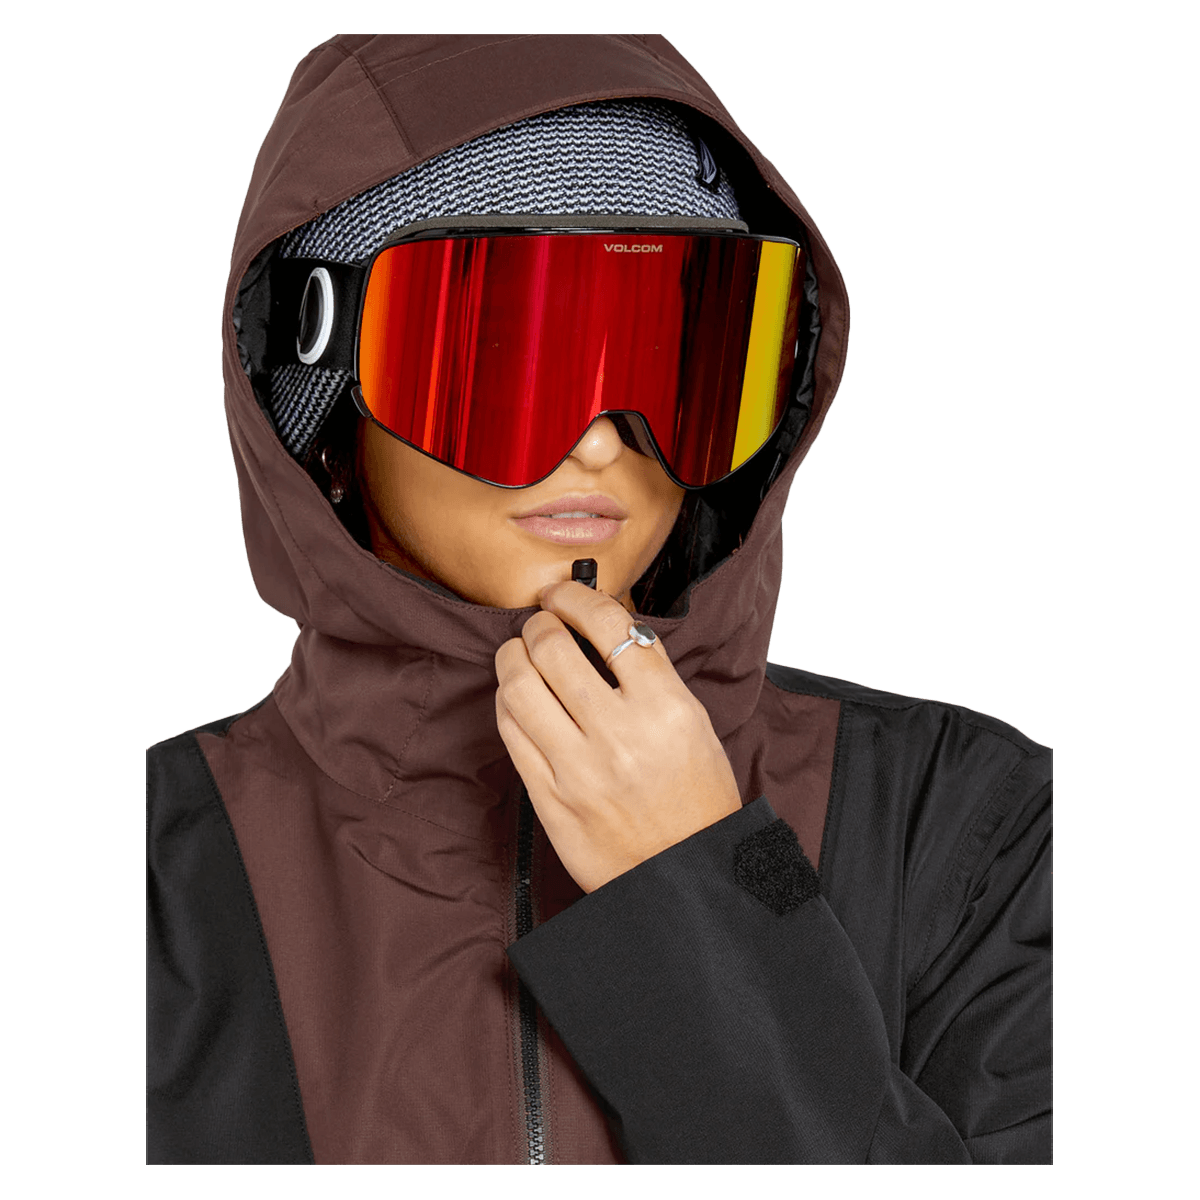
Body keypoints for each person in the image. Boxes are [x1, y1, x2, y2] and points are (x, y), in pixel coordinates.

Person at [146, 34, 1052, 1165]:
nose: (601, 443)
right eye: (503, 358)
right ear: (323, 411)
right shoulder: (147, 884)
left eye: (678, 360)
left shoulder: (961, 830)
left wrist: (707, 890)